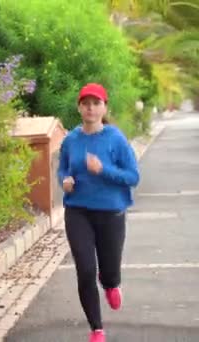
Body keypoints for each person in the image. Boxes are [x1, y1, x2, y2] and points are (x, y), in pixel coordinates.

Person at [57, 83, 140, 342]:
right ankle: (96, 328)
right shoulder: (71, 139)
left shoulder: (115, 138)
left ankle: (111, 282)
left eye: (96, 103)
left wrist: (103, 169)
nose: (91, 108)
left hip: (110, 212)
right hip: (78, 210)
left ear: (105, 108)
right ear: (79, 107)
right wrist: (65, 180)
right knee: (84, 269)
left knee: (109, 268)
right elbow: (62, 169)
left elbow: (133, 177)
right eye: (86, 103)